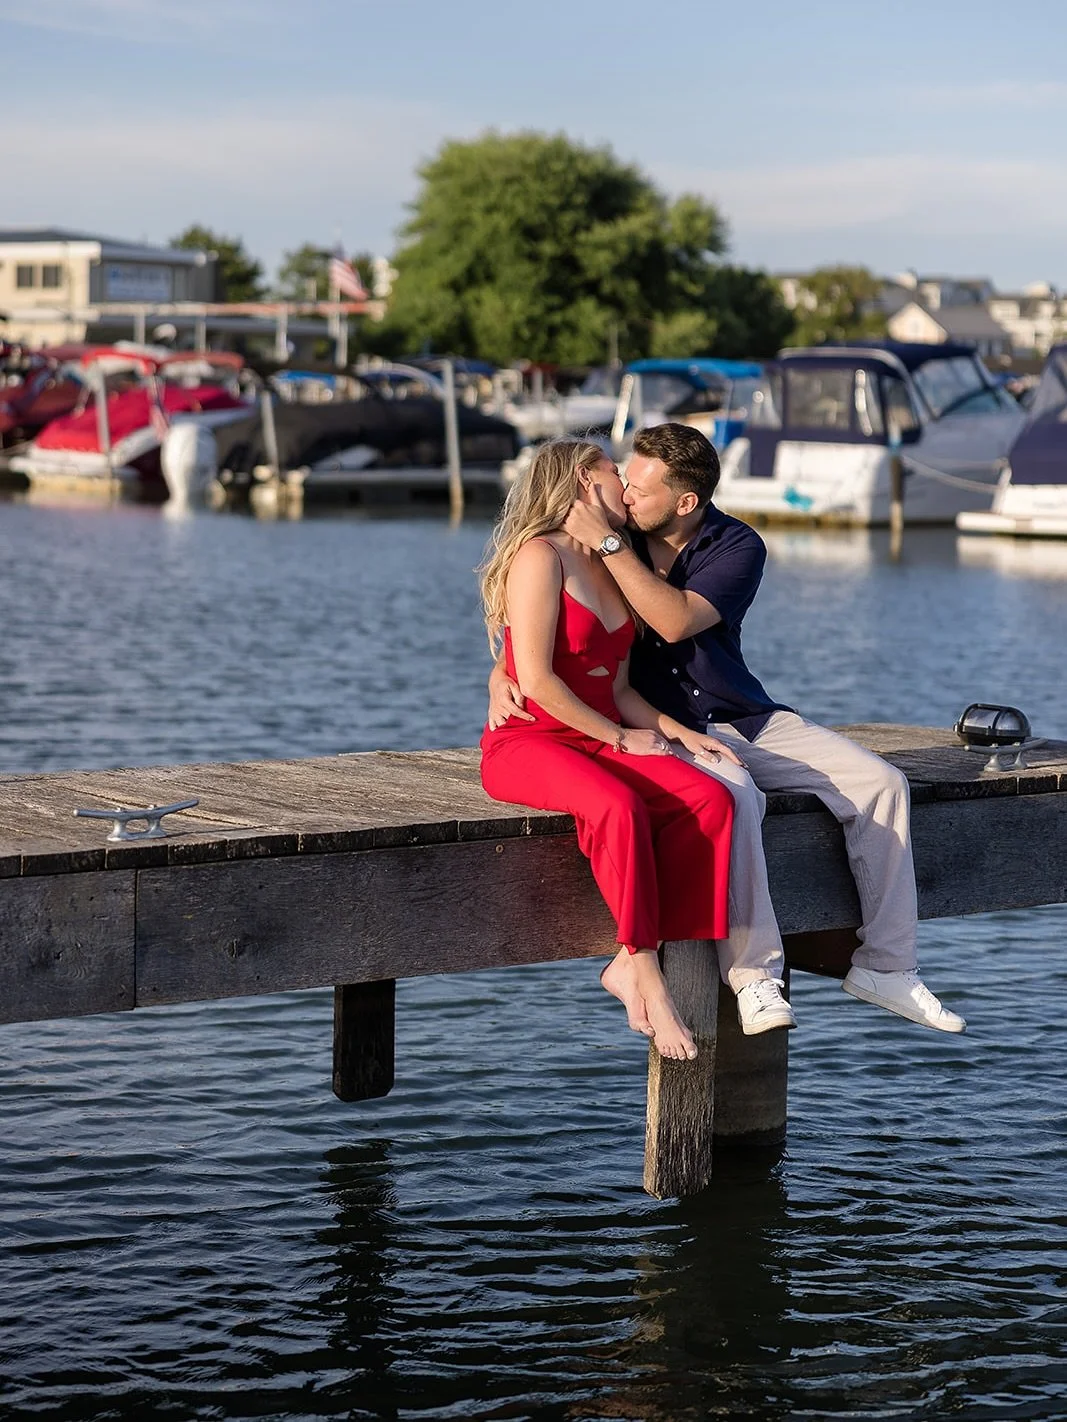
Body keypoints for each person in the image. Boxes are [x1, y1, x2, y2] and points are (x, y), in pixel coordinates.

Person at [490, 422, 966, 1035]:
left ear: (684, 503)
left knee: (882, 783)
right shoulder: (610, 535)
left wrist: (609, 547)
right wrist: (499, 674)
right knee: (737, 795)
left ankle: (889, 966)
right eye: (623, 478)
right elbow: (555, 640)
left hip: (741, 715)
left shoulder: (732, 546)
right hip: (663, 725)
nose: (628, 494)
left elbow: (673, 621)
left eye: (640, 486)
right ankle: (753, 977)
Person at [479, 439, 775, 1062]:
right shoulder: (542, 556)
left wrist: (676, 730)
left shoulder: (610, 562)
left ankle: (637, 959)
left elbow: (617, 686)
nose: (628, 485)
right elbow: (535, 680)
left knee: (709, 799)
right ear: (586, 482)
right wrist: (616, 737)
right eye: (616, 473)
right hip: (530, 739)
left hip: (599, 729)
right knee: (617, 806)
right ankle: (645, 974)